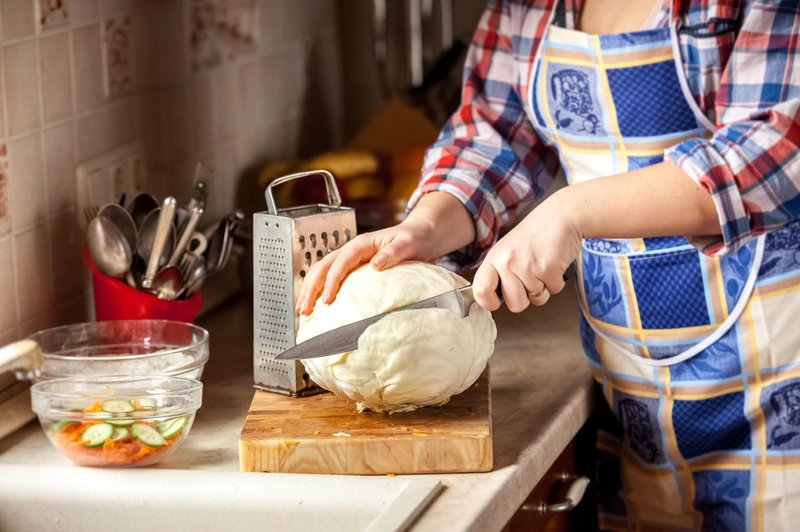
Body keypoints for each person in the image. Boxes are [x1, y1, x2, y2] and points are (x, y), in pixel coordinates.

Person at [298, 0, 800, 529]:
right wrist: (424, 227)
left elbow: (776, 146)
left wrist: (572, 211)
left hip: (774, 388)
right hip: (631, 385)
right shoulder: (528, 6)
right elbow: (494, 133)